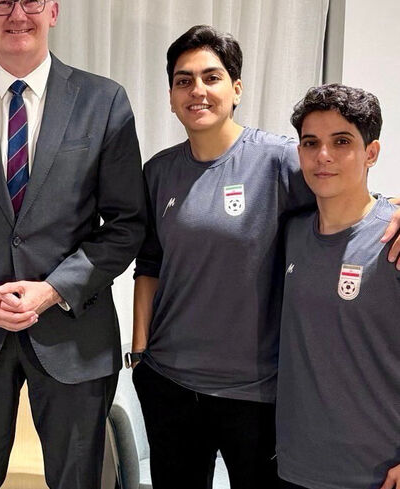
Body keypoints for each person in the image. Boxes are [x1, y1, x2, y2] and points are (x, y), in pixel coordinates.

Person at [131, 25, 400, 488]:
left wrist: (394, 206)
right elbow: (150, 264)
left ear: (236, 89)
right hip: (169, 383)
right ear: (171, 96)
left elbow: (346, 194)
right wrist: (139, 354)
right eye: (183, 80)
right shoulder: (158, 172)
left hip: (256, 394)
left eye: (211, 77)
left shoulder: (281, 160)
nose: (197, 90)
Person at [0, 0, 145, 487]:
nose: (18, 14)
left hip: (74, 334)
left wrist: (55, 289)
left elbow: (126, 224)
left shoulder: (103, 101)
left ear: (54, 11)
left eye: (32, 1)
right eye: (2, 2)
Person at [277, 84, 400, 489]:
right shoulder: (290, 232)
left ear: (371, 153)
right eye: (311, 143)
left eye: (342, 142)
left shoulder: (393, 240)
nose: (323, 155)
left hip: (377, 473)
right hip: (295, 467)